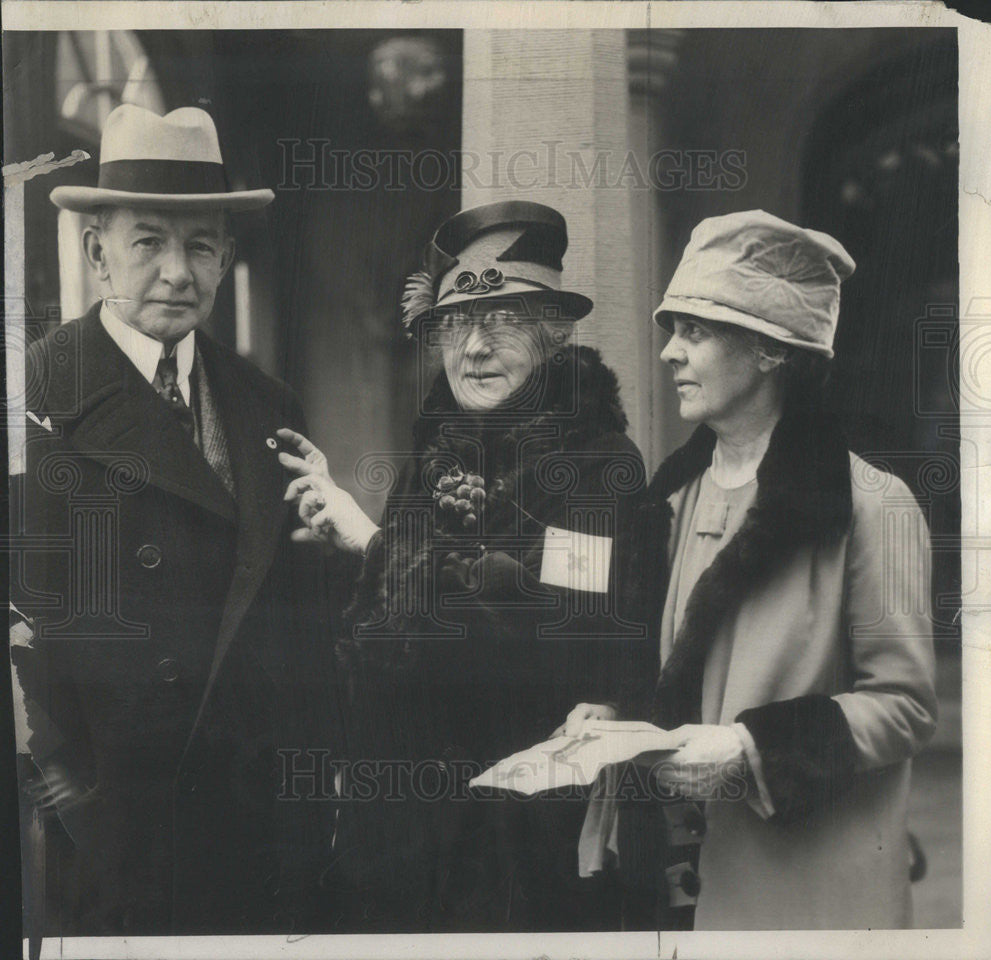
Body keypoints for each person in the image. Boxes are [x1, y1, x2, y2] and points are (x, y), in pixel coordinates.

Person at [11, 104, 340, 935]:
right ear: (96, 252)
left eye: (199, 245)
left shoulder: (268, 406)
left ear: (226, 257)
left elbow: (297, 627)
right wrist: (70, 789)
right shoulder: (33, 400)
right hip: (104, 836)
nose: (176, 271)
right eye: (147, 241)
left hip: (252, 833)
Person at [280, 200, 650, 931]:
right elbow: (380, 626)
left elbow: (561, 617)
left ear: (554, 331)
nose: (473, 347)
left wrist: (372, 543)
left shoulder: (601, 463)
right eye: (455, 325)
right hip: (407, 836)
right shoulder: (436, 457)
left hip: (524, 836)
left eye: (502, 321)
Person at [567, 209, 937, 930]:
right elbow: (677, 676)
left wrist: (748, 748)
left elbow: (907, 706)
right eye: (673, 330)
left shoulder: (871, 505)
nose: (670, 353)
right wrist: (620, 719)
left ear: (771, 351)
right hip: (676, 888)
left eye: (695, 332)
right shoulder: (667, 498)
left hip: (807, 895)